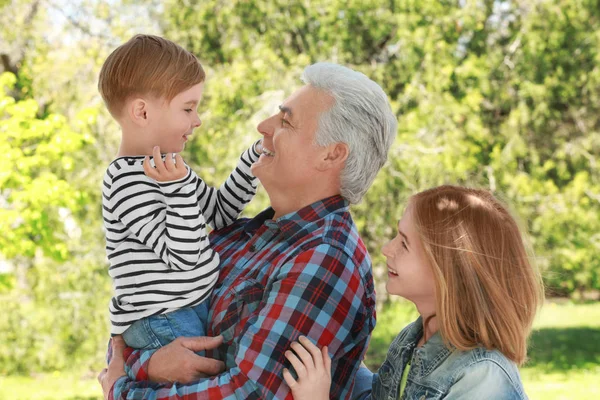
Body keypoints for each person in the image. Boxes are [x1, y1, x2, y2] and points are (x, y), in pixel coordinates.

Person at [97, 62, 398, 399]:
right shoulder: (239, 236)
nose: (263, 126)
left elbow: (251, 393)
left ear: (331, 155)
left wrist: (124, 390)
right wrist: (148, 366)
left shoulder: (325, 258)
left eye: (286, 121)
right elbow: (132, 336)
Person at [283, 185, 544, 400]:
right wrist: (348, 362)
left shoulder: (483, 379)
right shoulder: (412, 339)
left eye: (404, 243)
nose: (387, 249)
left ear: (448, 270)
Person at [98, 34, 262, 351]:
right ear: (142, 113)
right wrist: (177, 190)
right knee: (207, 383)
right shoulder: (126, 180)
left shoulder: (172, 169)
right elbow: (182, 256)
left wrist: (250, 162)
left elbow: (221, 213)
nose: (197, 120)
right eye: (188, 108)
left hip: (186, 309)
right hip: (158, 319)